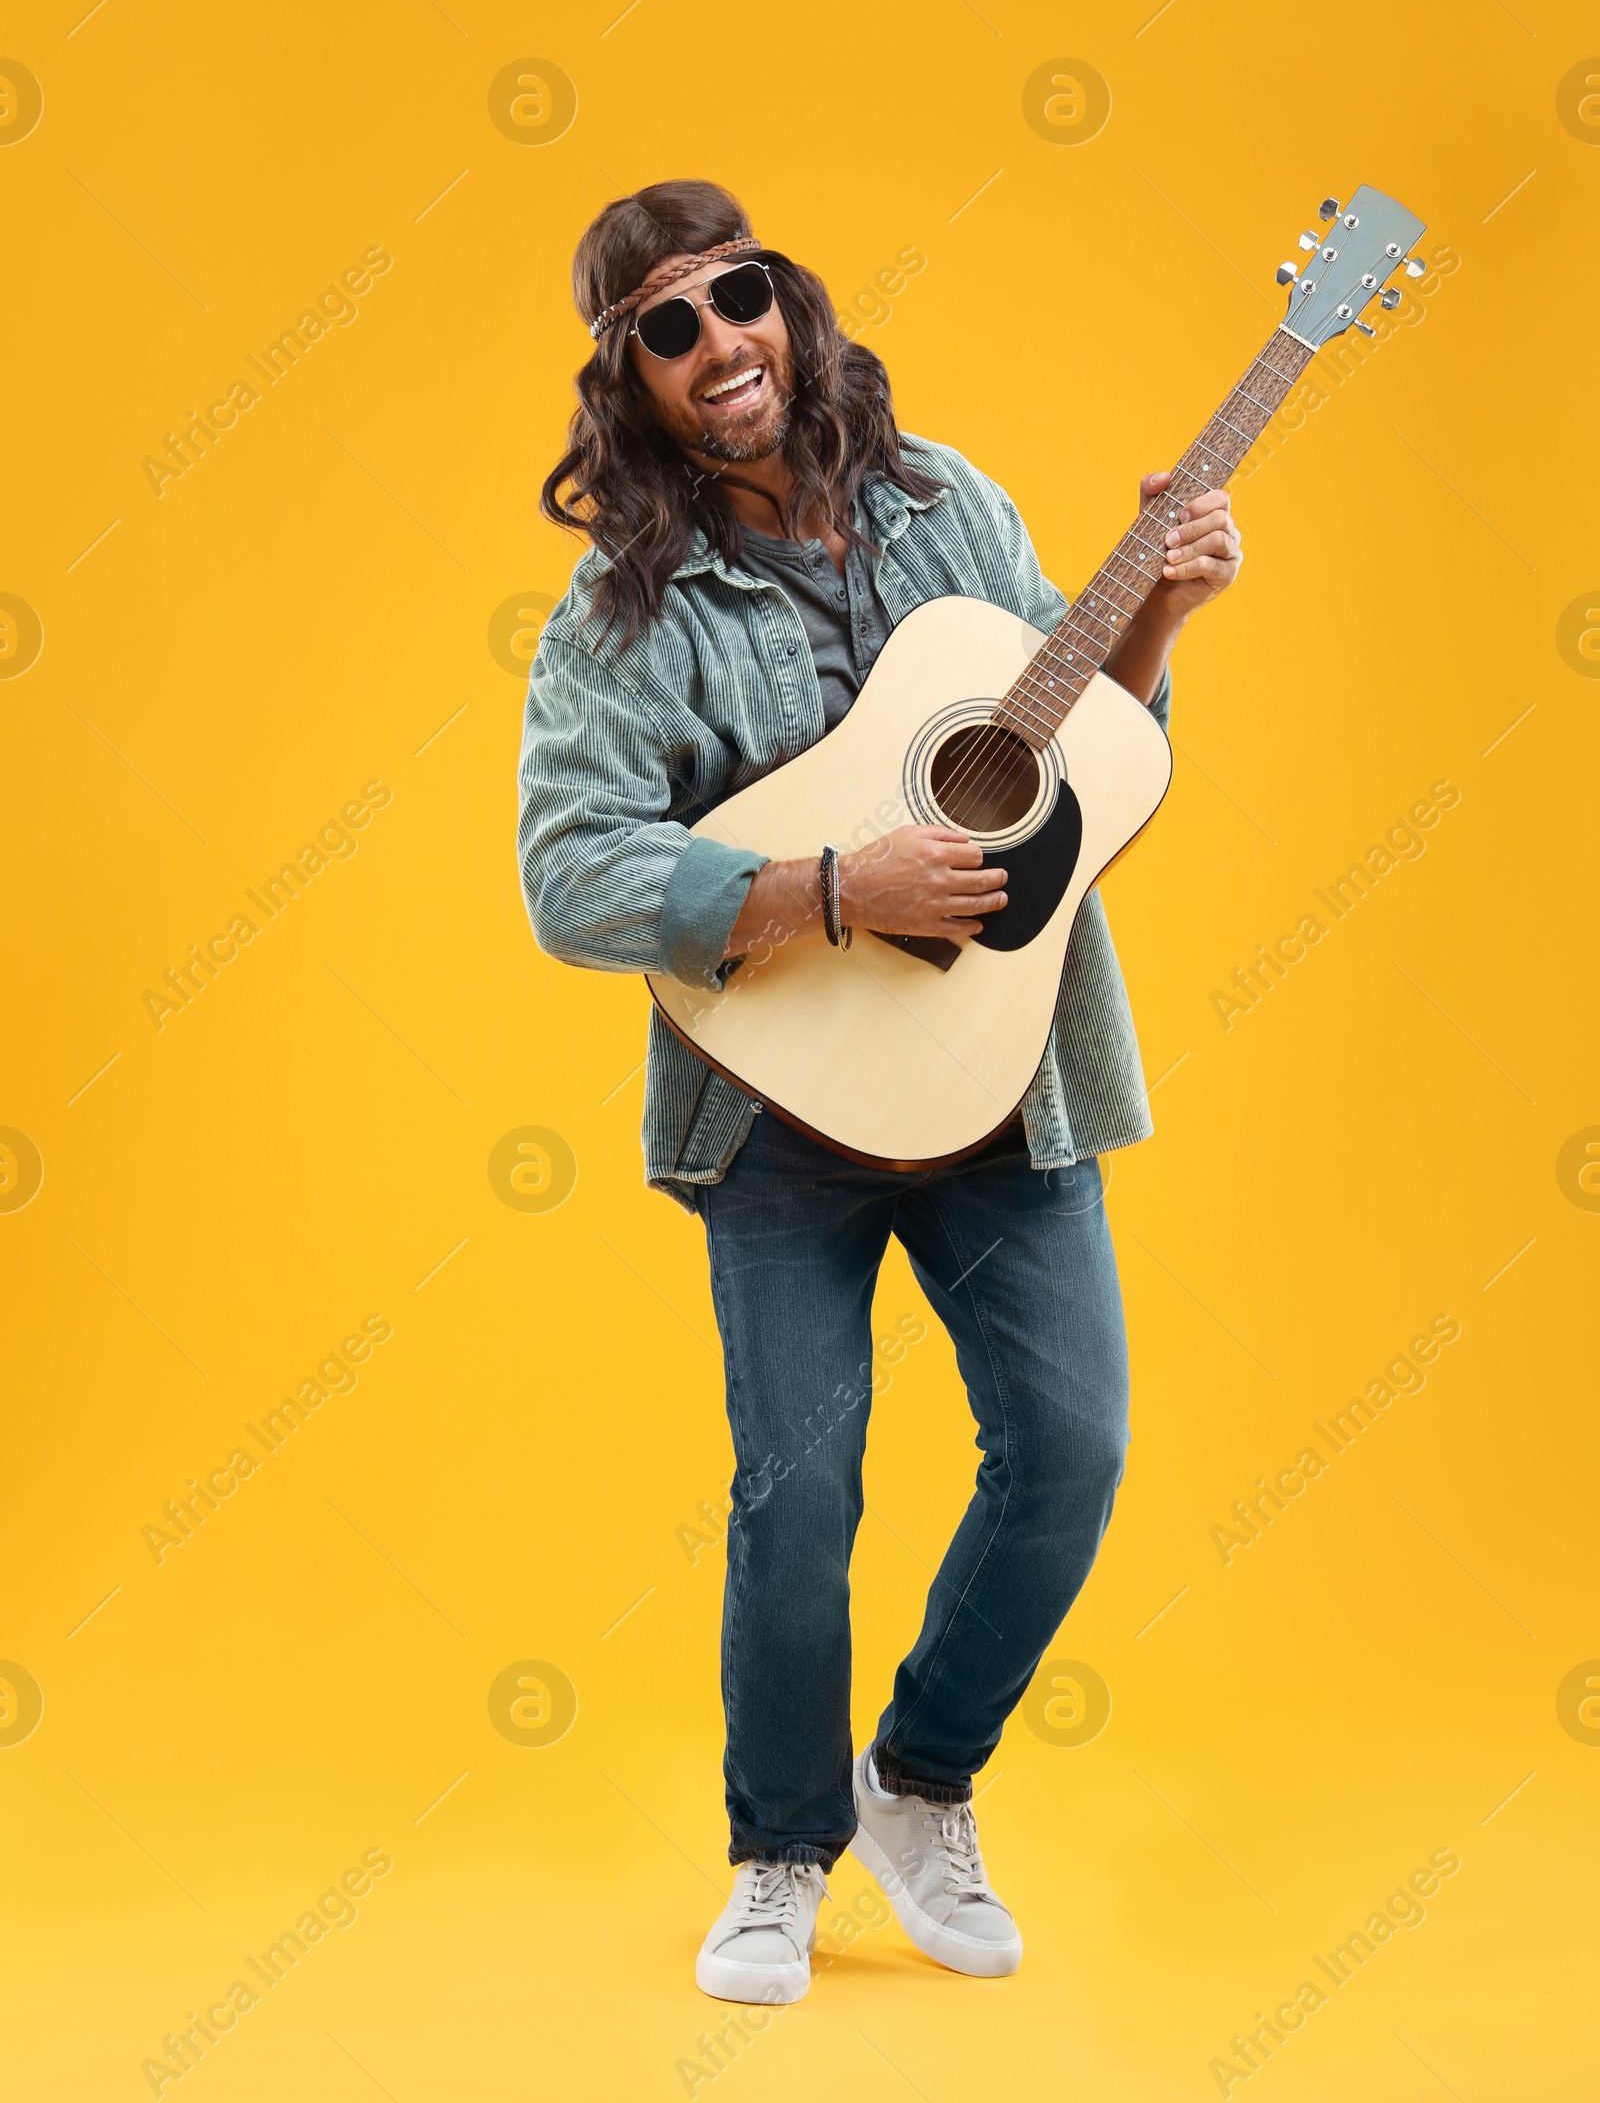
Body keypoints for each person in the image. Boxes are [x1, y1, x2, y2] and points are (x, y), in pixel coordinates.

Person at [517, 180, 1242, 2002]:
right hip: (777, 1120)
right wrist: (833, 892)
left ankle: (918, 1781)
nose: (718, 349)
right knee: (801, 1488)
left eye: (734, 300)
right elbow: (572, 877)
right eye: (665, 330)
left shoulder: (953, 507)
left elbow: (1073, 776)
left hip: (1005, 1083)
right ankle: (777, 1853)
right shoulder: (624, 611)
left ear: (789, 301)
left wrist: (1148, 616)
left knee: (1071, 1451)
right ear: (631, 380)